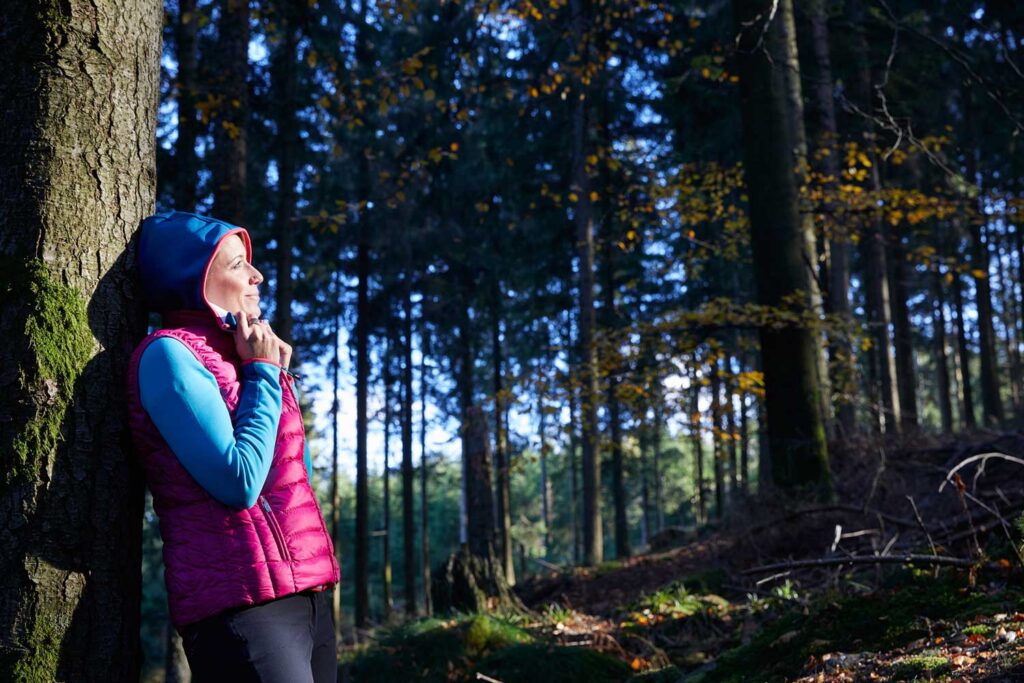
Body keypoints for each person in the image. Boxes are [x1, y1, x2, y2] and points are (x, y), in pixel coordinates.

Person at [126, 211, 339, 682]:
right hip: (241, 607)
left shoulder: (244, 354)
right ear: (195, 278)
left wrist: (273, 375)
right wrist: (264, 373)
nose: (256, 274)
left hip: (306, 594)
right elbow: (239, 482)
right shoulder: (168, 355)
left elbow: (290, 478)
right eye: (238, 263)